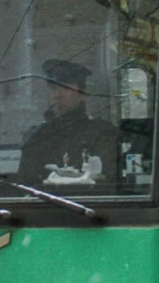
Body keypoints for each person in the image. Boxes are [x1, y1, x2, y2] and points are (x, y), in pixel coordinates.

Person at [17, 59, 119, 187]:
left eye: (65, 88)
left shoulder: (102, 133)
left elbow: (107, 182)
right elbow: (25, 183)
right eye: (53, 88)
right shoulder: (36, 135)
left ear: (83, 95)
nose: (58, 95)